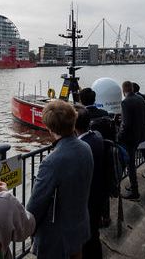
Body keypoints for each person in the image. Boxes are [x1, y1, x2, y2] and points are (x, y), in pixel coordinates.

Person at [27, 100, 94, 259]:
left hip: (57, 237)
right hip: (79, 227)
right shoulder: (86, 147)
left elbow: (35, 205)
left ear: (49, 128)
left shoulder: (51, 162)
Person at [74, 106, 106, 258]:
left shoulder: (83, 147)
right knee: (94, 235)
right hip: (99, 194)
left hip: (89, 199)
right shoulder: (97, 137)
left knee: (88, 238)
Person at [118, 81, 145, 201]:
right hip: (139, 135)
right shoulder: (140, 98)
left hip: (129, 138)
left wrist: (119, 136)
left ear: (123, 90)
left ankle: (135, 192)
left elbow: (126, 124)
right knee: (131, 163)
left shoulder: (125, 102)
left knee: (129, 164)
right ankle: (132, 186)